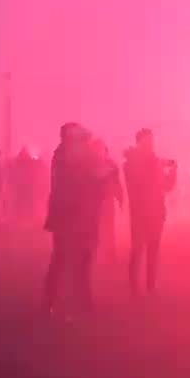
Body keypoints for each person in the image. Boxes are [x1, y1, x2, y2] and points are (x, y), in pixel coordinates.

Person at [43, 124, 113, 319]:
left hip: (80, 217)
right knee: (62, 261)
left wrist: (101, 176)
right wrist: (96, 174)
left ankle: (82, 302)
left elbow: (92, 184)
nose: (84, 143)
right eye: (80, 139)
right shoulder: (64, 158)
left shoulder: (75, 158)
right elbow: (74, 185)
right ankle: (54, 303)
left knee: (82, 260)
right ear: (68, 138)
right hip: (67, 217)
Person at [123, 129, 177, 294]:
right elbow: (138, 183)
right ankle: (134, 288)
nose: (150, 145)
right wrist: (156, 166)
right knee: (138, 250)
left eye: (151, 142)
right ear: (138, 143)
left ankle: (151, 287)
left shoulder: (154, 162)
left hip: (156, 212)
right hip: (140, 213)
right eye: (146, 142)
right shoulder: (131, 163)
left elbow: (167, 187)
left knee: (153, 250)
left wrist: (173, 172)